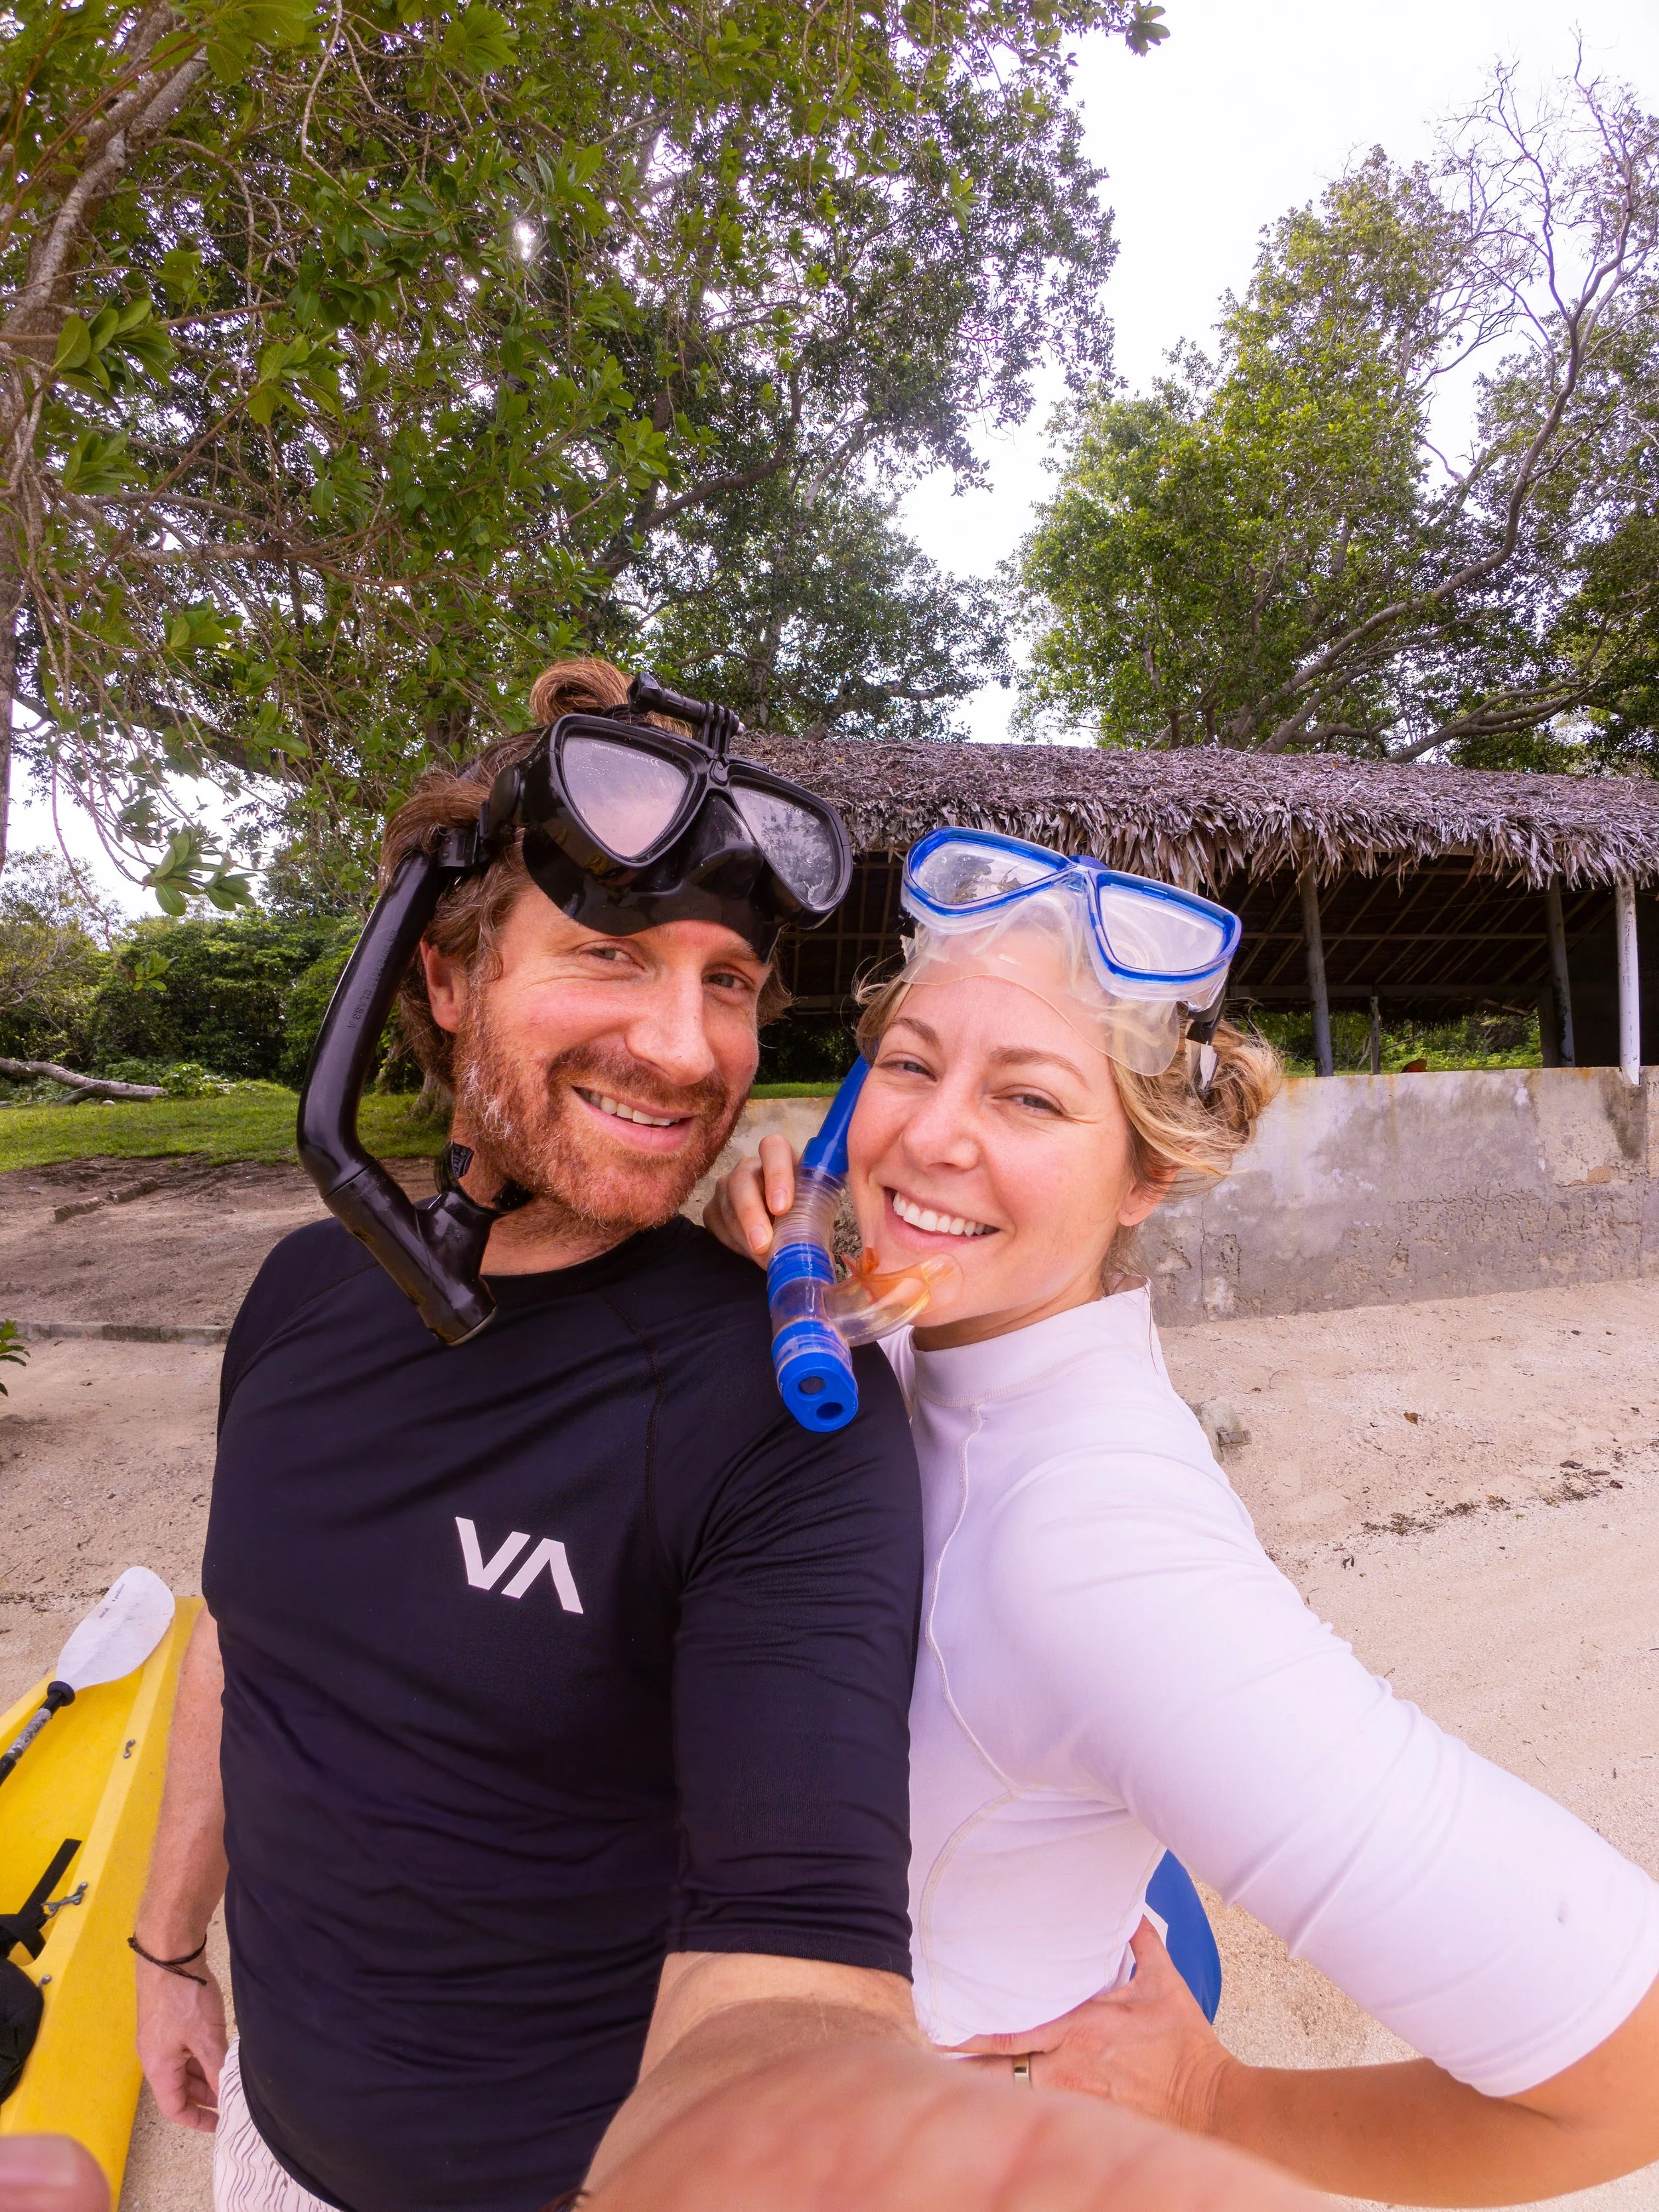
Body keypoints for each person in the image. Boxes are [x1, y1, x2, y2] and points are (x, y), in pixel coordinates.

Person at [706, 826, 1659, 2207]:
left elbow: (1625, 2069)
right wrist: (785, 1227)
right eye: (911, 1064)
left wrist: (1212, 2100)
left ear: (1144, 1174)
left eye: (1028, 1100)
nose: (929, 1130)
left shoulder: (1098, 1560)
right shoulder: (937, 1344)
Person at [134, 656, 929, 2212]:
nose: (690, 1048)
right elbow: (245, 1640)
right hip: (265, 2142)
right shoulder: (302, 1292)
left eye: (725, 983)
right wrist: (169, 1947)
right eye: (610, 956)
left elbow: (803, 1944)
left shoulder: (780, 1408)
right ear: (441, 982)